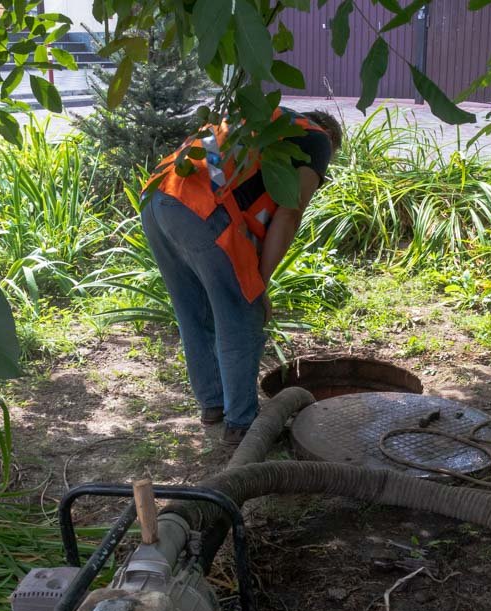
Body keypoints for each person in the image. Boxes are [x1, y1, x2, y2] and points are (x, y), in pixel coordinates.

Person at [140, 107, 343, 445]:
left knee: (195, 310)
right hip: (201, 207)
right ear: (330, 137)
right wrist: (258, 285)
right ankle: (242, 425)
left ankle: (214, 405)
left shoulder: (265, 119)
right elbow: (290, 214)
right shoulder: (317, 138)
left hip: (159, 196)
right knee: (244, 313)